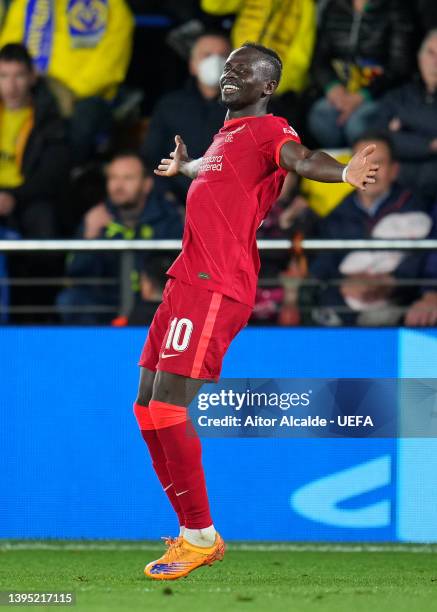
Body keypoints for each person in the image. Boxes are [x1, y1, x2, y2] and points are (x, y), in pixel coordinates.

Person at [132, 42, 378, 580]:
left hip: (214, 282)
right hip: (186, 279)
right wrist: (186, 166)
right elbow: (217, 170)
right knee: (147, 406)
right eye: (227, 68)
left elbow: (299, 158)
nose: (229, 75)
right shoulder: (227, 136)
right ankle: (190, 531)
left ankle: (200, 535)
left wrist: (339, 174)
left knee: (168, 406)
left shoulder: (272, 130)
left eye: (243, 71)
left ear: (267, 87)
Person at [308, 133, 429, 326]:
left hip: (403, 310)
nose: (371, 171)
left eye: (379, 163)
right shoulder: (335, 216)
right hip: (345, 315)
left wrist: (394, 281)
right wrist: (345, 284)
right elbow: (322, 268)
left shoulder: (420, 207)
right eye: (363, 163)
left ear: (394, 170)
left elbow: (427, 261)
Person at [0, 0, 134, 166]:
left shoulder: (112, 6)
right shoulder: (27, 3)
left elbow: (110, 65)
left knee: (80, 120)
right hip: (30, 87)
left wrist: (69, 94)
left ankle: (63, 178)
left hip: (83, 97)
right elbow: (7, 50)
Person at [56, 153, 183, 325]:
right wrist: (89, 238)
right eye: (113, 178)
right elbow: (75, 272)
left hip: (154, 299)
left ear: (146, 185)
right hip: (108, 301)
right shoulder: (96, 218)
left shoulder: (168, 217)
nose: (118, 186)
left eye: (128, 178)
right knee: (70, 300)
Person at [308, 0, 415, 148]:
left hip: (379, 93)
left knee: (358, 123)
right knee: (321, 116)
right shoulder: (334, 6)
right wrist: (332, 87)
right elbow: (319, 59)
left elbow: (399, 68)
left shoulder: (396, 8)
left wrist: (361, 96)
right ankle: (340, 167)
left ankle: (364, 168)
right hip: (343, 89)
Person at [141, 33, 230, 201]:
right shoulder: (170, 106)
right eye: (207, 55)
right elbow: (151, 156)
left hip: (232, 201)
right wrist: (168, 197)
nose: (216, 61)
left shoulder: (251, 108)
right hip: (177, 201)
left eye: (223, 56)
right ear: (193, 65)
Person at [0, 43, 68, 238]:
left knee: (43, 216)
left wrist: (14, 197)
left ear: (32, 77)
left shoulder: (48, 117)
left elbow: (52, 173)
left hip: (27, 197)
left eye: (19, 75)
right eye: (3, 76)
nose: (11, 86)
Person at [372, 30, 437, 203]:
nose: (435, 62)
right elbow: (379, 141)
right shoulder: (397, 97)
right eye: (430, 53)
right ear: (419, 56)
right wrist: (430, 145)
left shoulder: (400, 106)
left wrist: (404, 128)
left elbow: (391, 139)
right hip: (397, 195)